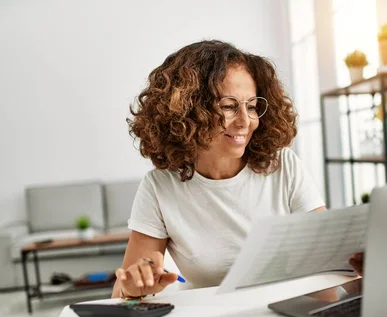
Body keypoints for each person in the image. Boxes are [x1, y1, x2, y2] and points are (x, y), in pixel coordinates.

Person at [111, 40, 362, 300]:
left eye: (252, 106)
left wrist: (363, 272)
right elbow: (122, 291)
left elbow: (332, 268)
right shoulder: (160, 187)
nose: (245, 121)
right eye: (229, 106)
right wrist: (133, 288)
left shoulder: (284, 167)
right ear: (187, 112)